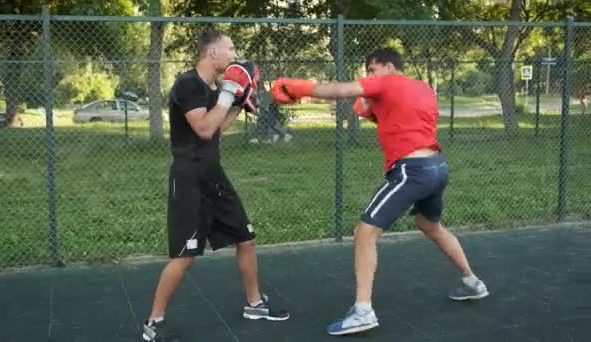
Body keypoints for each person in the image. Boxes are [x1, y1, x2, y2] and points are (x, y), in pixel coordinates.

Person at [271, 47, 489, 336]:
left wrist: (300, 88)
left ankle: (363, 311)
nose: (369, 76)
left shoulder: (387, 81)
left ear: (387, 66)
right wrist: (375, 113)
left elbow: (340, 90)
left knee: (365, 231)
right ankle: (473, 282)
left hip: (412, 170)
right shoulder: (422, 88)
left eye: (372, 70)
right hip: (437, 166)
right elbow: (407, 120)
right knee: (429, 224)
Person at [142, 31, 290, 342]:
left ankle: (255, 304)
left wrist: (238, 103)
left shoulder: (213, 88)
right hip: (189, 179)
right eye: (230, 48)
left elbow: (219, 126)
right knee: (184, 256)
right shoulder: (188, 84)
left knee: (245, 238)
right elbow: (204, 129)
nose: (234, 55)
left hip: (213, 175)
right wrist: (228, 95)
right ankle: (153, 323)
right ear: (212, 53)